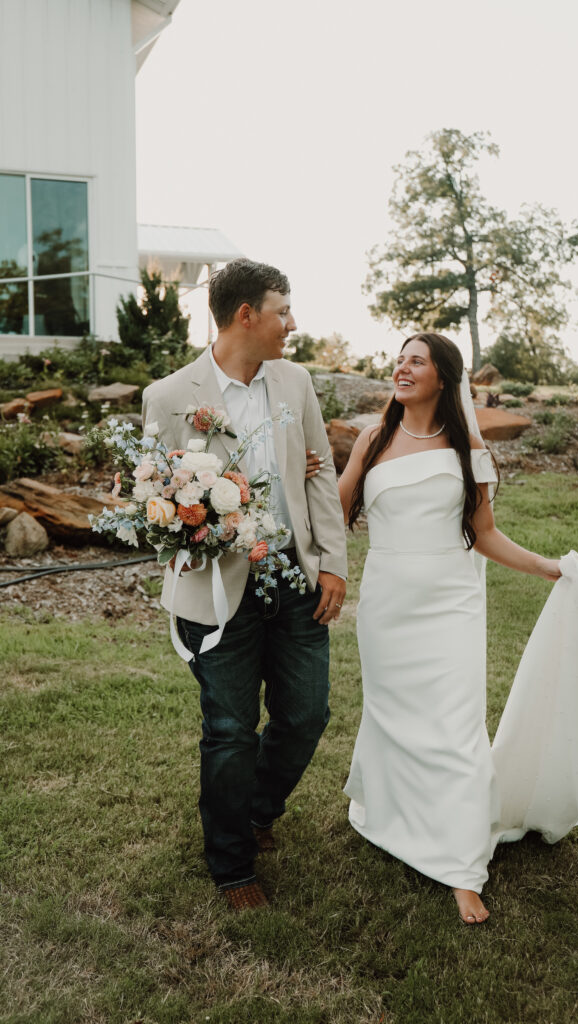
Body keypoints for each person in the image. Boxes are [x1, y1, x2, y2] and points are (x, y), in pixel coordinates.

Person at [333, 332, 561, 925]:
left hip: (451, 602)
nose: (402, 367)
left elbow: (484, 535)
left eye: (417, 360)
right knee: (393, 717)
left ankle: (462, 868)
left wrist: (547, 568)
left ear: (443, 378)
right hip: (387, 606)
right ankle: (389, 816)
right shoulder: (372, 438)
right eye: (400, 358)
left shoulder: (470, 452)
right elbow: (333, 515)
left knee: (457, 725)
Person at [141, 258, 347, 911]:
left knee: (306, 713)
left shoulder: (296, 382)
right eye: (283, 311)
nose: (292, 324)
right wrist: (192, 524)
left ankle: (257, 808)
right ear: (246, 316)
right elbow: (154, 500)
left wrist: (333, 562)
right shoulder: (169, 396)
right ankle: (232, 864)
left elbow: (317, 475)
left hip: (295, 580)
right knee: (229, 729)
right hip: (217, 593)